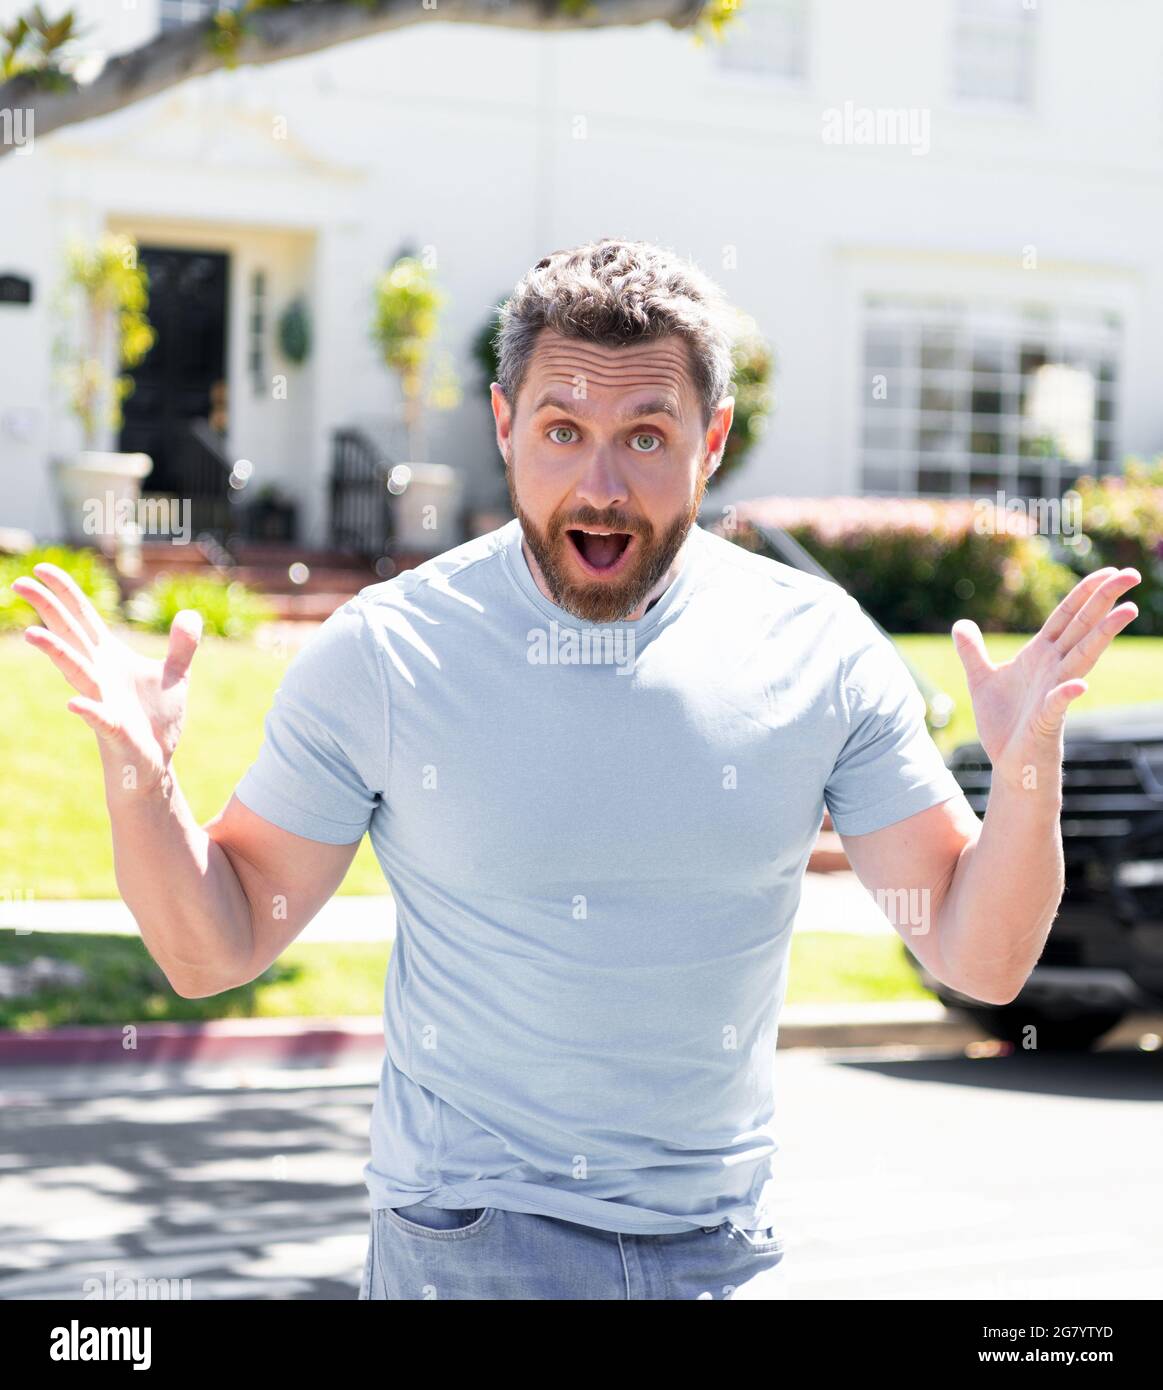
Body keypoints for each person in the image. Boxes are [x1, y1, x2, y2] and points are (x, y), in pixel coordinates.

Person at [13, 238, 1140, 1300]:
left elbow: (977, 958)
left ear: (711, 441)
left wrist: (1026, 767)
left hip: (721, 1251)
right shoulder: (391, 651)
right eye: (561, 428)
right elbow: (214, 946)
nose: (599, 483)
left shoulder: (817, 647)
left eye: (646, 434)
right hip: (471, 1246)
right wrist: (140, 780)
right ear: (504, 425)